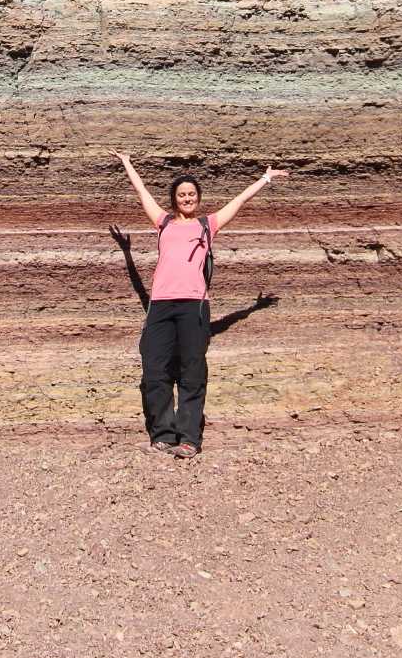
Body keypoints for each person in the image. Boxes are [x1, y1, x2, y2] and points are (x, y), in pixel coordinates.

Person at [114, 152, 287, 459]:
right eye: (181, 194)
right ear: (174, 199)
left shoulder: (208, 225)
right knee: (155, 368)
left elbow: (238, 202)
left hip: (194, 306)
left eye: (191, 194)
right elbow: (142, 192)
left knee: (192, 371)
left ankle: (189, 438)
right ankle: (163, 434)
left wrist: (265, 178)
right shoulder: (163, 222)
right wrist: (127, 163)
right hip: (161, 307)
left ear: (198, 198)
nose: (187, 198)